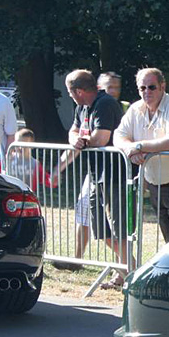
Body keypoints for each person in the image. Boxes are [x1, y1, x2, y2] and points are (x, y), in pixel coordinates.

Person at [114, 67, 169, 243]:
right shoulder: (135, 109)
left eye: (151, 87)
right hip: (155, 185)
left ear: (162, 86)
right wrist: (130, 150)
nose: (147, 92)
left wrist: (138, 146)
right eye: (142, 88)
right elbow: (118, 135)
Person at [60, 69, 127, 282]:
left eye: (70, 92)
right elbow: (73, 132)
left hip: (114, 176)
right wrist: (75, 140)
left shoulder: (105, 103)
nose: (70, 96)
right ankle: (128, 268)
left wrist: (82, 139)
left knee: (117, 230)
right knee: (101, 230)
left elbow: (100, 138)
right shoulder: (82, 107)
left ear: (78, 91)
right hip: (96, 175)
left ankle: (131, 270)